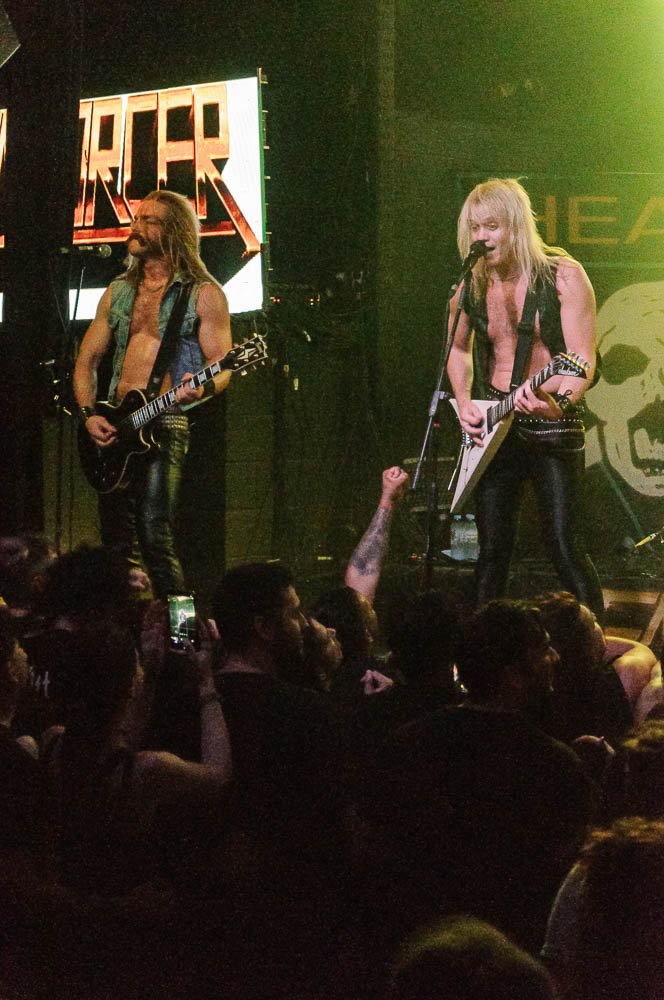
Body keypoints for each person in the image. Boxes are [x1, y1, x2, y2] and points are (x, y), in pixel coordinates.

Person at [446, 177, 604, 619]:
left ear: (516, 225)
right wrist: (465, 403)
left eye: (492, 226)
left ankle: (596, 638)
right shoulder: (471, 284)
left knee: (563, 544)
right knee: (491, 549)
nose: (482, 237)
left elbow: (582, 358)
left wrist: (561, 402)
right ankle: (483, 645)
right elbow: (457, 349)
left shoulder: (563, 275)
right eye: (475, 228)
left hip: (552, 415)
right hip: (496, 420)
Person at [73, 189, 232, 599]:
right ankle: (126, 628)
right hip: (116, 423)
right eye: (137, 218)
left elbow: (224, 366)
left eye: (150, 221)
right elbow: (86, 361)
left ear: (175, 232)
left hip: (166, 420)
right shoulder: (118, 292)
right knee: (116, 545)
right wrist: (89, 414)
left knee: (154, 537)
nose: (137, 226)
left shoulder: (203, 294)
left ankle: (183, 630)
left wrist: (201, 386)